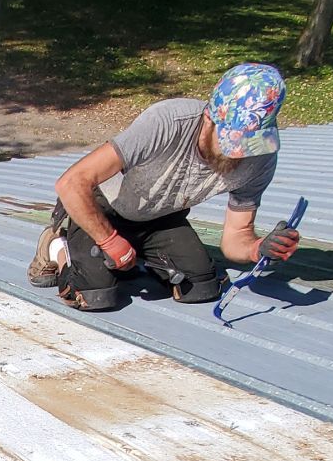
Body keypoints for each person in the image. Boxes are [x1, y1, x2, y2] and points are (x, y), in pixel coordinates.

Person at [29, 63, 300, 311]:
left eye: (250, 142)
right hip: (102, 206)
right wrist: (109, 240)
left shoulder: (261, 156)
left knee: (202, 286)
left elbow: (236, 236)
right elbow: (71, 183)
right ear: (209, 118)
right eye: (233, 140)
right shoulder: (169, 122)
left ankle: (134, 255)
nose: (240, 153)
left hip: (161, 216)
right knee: (95, 294)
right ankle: (56, 245)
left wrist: (258, 249)